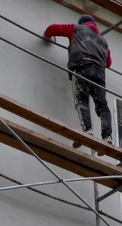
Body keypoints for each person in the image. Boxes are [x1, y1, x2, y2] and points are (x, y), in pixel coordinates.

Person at [44, 15, 113, 147]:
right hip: (99, 74)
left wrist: (47, 36)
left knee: (81, 99)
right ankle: (107, 136)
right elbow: (108, 63)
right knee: (102, 105)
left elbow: (52, 29)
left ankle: (87, 130)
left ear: (82, 23)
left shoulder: (76, 29)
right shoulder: (103, 41)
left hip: (82, 68)